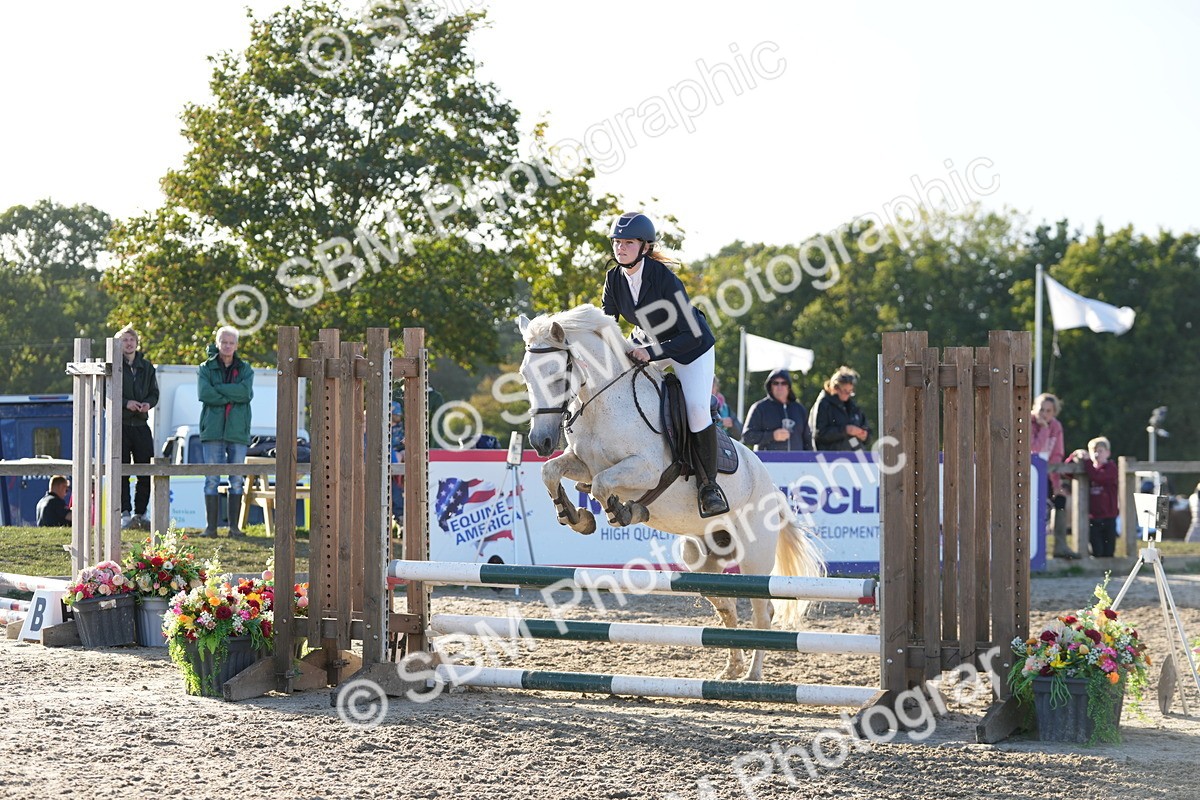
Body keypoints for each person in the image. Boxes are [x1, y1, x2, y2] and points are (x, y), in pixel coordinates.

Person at [601, 211, 728, 518]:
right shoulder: (613, 279)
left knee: (696, 410)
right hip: (647, 342)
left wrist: (651, 353)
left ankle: (709, 487)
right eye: (617, 242)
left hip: (690, 347)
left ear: (645, 247)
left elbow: (690, 334)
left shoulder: (664, 279)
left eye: (628, 243)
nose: (620, 248)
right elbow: (607, 326)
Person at [198, 325, 254, 537]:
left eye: (231, 342)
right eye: (224, 342)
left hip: (237, 431)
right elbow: (204, 394)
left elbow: (246, 393)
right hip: (212, 431)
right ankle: (211, 528)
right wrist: (232, 394)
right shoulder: (205, 368)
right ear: (217, 343)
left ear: (236, 345)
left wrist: (219, 388)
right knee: (211, 479)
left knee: (237, 480)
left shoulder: (245, 369)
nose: (228, 346)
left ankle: (234, 528)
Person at [116, 324, 159, 531]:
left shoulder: (147, 367)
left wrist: (147, 404)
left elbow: (154, 393)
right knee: (121, 470)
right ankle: (124, 513)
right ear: (118, 344)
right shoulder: (114, 366)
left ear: (137, 343)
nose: (129, 343)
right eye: (124, 340)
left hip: (141, 424)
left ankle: (140, 513)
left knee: (145, 470)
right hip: (121, 425)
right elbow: (106, 395)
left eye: (132, 339)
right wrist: (127, 403)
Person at [1030, 392, 1074, 558]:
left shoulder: (1056, 426)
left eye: (1049, 411)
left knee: (1060, 500)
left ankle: (1060, 547)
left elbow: (1057, 454)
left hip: (1048, 473)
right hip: (1030, 474)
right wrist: (1043, 429)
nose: (1044, 414)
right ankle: (1034, 548)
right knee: (1036, 508)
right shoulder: (1027, 422)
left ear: (1054, 412)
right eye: (1041, 409)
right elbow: (1035, 449)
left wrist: (1056, 484)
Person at [1067, 437, 1119, 558]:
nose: (1096, 454)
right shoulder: (1088, 468)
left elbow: (1098, 477)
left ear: (1108, 453)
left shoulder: (1111, 468)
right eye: (1093, 451)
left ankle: (1108, 569)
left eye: (1100, 451)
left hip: (1108, 517)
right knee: (1097, 550)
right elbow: (1067, 472)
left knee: (1108, 551)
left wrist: (1087, 463)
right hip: (1093, 518)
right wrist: (1074, 456)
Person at [742, 370, 812, 451]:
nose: (780, 386)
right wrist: (772, 436)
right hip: (766, 459)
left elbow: (808, 440)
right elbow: (747, 436)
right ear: (770, 386)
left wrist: (812, 457)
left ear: (789, 386)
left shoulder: (799, 409)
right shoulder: (759, 408)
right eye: (775, 383)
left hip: (796, 459)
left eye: (784, 383)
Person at [809, 366, 870, 451]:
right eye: (845, 391)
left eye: (850, 391)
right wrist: (845, 430)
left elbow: (866, 429)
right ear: (835, 388)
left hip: (855, 455)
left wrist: (864, 435)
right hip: (831, 455)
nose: (848, 395)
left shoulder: (853, 406)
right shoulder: (824, 404)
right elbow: (819, 434)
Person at [710, 376, 741, 441]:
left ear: (717, 388)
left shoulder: (726, 408)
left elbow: (739, 435)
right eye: (708, 386)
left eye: (712, 386)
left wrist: (732, 426)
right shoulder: (697, 407)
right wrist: (720, 422)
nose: (710, 389)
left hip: (724, 443)